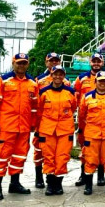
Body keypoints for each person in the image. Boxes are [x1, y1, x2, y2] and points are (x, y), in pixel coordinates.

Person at [0, 53, 38, 200]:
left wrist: (33, 124)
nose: (21, 65)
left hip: (24, 128)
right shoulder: (3, 80)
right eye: (19, 63)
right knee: (1, 157)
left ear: (27, 64)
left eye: (24, 63)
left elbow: (35, 106)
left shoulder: (32, 83)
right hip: (6, 127)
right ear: (13, 63)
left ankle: (14, 184)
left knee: (19, 156)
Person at [74, 53, 105, 187]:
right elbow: (76, 98)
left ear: (102, 63)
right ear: (90, 62)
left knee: (104, 150)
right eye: (94, 61)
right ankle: (83, 175)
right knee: (86, 149)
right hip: (87, 121)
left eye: (99, 61)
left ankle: (100, 176)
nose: (96, 64)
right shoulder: (81, 78)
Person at [37, 65, 77, 196]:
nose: (58, 77)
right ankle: (50, 184)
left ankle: (58, 183)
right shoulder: (44, 92)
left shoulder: (70, 92)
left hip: (65, 130)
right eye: (55, 74)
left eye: (60, 74)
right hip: (47, 130)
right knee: (48, 157)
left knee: (62, 157)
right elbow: (39, 110)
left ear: (64, 76)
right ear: (51, 75)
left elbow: (73, 107)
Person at [32, 52, 65, 189]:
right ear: (46, 63)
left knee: (58, 153)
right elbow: (35, 104)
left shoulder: (65, 81)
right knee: (39, 150)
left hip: (60, 125)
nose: (54, 63)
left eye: (56, 61)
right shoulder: (39, 80)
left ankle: (54, 179)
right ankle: (39, 177)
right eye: (51, 61)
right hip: (43, 123)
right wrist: (36, 125)